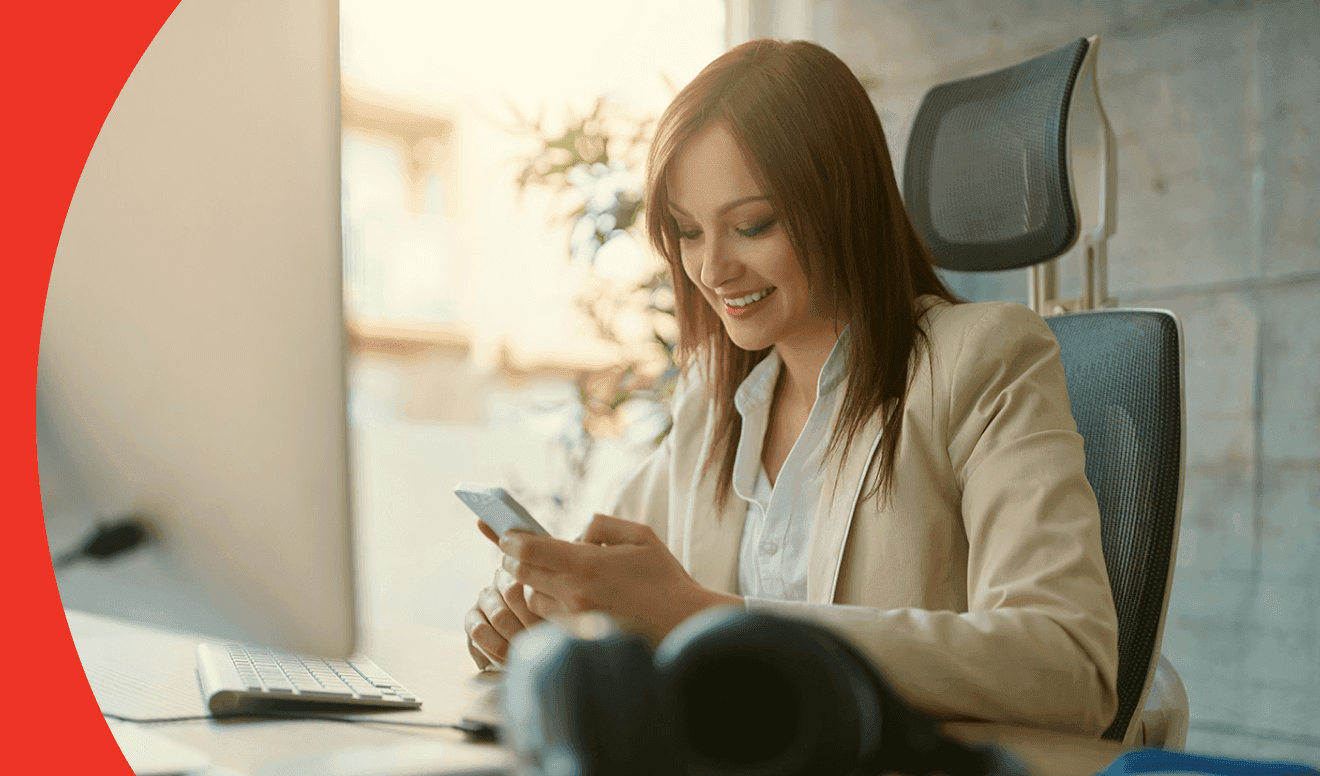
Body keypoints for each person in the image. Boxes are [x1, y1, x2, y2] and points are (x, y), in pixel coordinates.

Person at [463, 38, 1119, 737]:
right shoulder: (712, 400)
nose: (712, 269)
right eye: (687, 232)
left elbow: (1070, 666)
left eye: (753, 225)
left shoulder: (982, 360)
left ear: (841, 202)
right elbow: (618, 589)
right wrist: (540, 617)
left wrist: (708, 618)